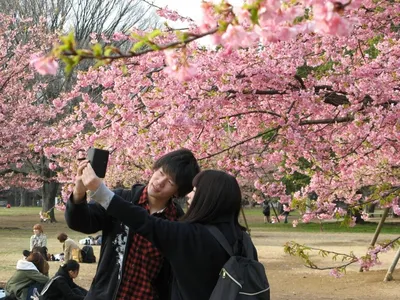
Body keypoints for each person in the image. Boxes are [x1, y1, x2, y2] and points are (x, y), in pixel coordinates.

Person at [77, 164, 259, 300]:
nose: (189, 195)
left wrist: (99, 190)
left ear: (208, 198)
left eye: (195, 191)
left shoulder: (189, 235)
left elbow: (144, 221)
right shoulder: (243, 239)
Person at [66, 148, 200, 300]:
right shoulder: (122, 199)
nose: (159, 182)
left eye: (169, 182)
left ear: (178, 192)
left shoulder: (177, 222)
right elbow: (82, 223)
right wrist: (78, 193)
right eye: (161, 173)